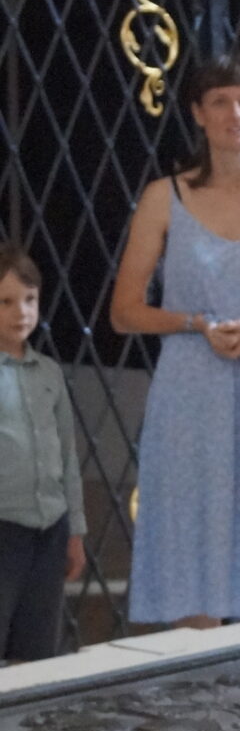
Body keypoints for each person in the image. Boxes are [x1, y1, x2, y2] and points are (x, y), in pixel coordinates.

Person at [111, 55, 240, 629]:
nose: (235, 113)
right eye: (219, 101)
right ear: (197, 114)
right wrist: (198, 325)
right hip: (190, 390)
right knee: (191, 540)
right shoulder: (166, 197)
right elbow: (125, 311)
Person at [0, 242, 85, 664]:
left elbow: (66, 456)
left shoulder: (49, 373)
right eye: (7, 301)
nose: (22, 312)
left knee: (37, 653)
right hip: (4, 525)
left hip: (49, 530)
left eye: (30, 300)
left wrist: (75, 531)